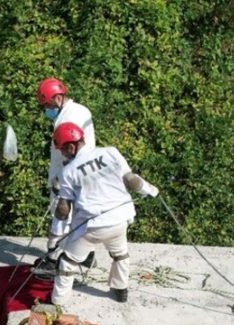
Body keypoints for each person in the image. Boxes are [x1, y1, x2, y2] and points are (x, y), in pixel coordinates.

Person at [49, 122, 158, 305]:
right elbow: (132, 181)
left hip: (91, 227)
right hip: (120, 220)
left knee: (67, 262)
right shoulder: (111, 152)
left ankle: (58, 302)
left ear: (71, 146)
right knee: (120, 254)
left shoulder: (68, 172)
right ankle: (120, 289)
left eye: (63, 150)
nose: (62, 155)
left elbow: (63, 209)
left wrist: (55, 239)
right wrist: (152, 191)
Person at [36, 77, 96, 269]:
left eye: (47, 104)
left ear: (57, 98)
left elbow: (69, 150)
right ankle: (86, 256)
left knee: (60, 214)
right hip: (85, 171)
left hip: (68, 173)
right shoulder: (81, 109)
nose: (46, 108)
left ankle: (53, 258)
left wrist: (61, 180)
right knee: (80, 214)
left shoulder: (67, 118)